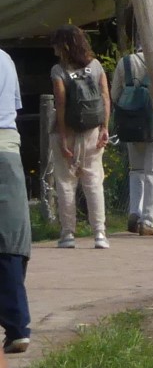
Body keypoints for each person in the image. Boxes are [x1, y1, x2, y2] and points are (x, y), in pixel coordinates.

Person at [48, 25, 109, 249]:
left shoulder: (58, 70)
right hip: (92, 130)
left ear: (63, 45)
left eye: (55, 44)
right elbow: (105, 97)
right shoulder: (95, 66)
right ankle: (100, 234)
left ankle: (68, 234)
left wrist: (63, 137)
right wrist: (105, 127)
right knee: (93, 181)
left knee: (66, 182)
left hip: (67, 131)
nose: (53, 48)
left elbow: (61, 103)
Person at [112, 34, 153, 235]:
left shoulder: (124, 63)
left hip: (131, 123)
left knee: (136, 170)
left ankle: (134, 212)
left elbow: (115, 94)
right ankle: (147, 220)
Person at [0, 45, 31, 357]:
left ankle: (16, 324)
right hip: (9, 148)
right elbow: (15, 108)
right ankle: (17, 326)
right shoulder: (6, 59)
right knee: (11, 236)